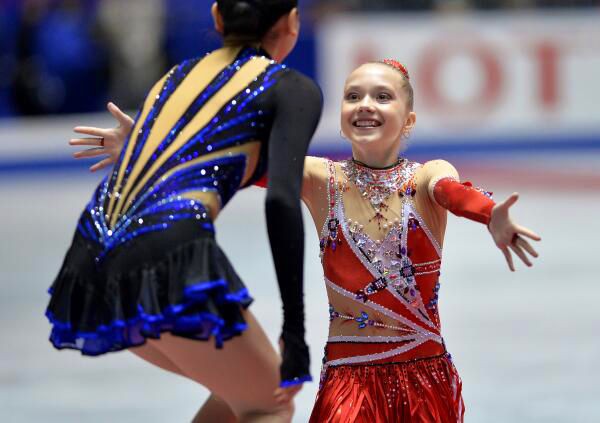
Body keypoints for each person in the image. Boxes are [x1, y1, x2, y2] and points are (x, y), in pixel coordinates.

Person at [76, 59, 541, 422]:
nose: (366, 105)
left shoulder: (427, 177)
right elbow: (234, 160)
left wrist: (488, 215)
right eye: (353, 96)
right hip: (349, 382)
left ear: (409, 119)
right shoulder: (321, 178)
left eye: (383, 97)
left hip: (425, 380)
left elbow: (453, 193)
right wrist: (146, 147)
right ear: (340, 119)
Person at [46, 1, 322, 422]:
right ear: (293, 23)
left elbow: (203, 154)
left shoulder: (176, 76)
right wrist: (295, 330)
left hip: (89, 255)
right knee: (271, 400)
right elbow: (282, 199)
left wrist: (142, 146)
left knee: (240, 393)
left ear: (216, 17)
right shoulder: (291, 87)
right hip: (164, 251)